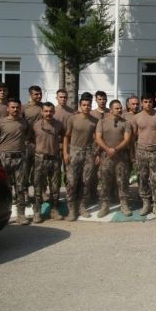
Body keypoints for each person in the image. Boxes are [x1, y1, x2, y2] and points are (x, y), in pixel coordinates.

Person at [0, 98, 30, 225]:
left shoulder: (24, 123)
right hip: (4, 157)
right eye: (13, 107)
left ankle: (21, 215)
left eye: (17, 107)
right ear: (8, 108)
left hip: (20, 158)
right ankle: (1, 215)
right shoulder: (0, 123)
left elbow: (27, 137)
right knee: (4, 187)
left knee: (20, 187)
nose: (15, 109)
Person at [62, 93, 99, 221]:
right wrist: (66, 153)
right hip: (74, 151)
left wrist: (96, 153)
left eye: (88, 105)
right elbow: (66, 136)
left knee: (86, 181)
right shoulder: (72, 119)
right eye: (84, 105)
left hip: (88, 152)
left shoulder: (95, 121)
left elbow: (97, 139)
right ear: (80, 105)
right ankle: (72, 209)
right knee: (72, 181)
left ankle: (82, 205)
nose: (86, 107)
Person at [94, 99, 133, 218]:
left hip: (121, 157)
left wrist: (115, 149)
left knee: (123, 181)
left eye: (120, 108)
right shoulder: (102, 122)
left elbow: (127, 140)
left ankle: (124, 204)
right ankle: (105, 205)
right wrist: (107, 149)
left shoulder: (126, 123)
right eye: (117, 108)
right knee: (105, 181)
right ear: (111, 110)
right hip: (106, 157)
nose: (120, 110)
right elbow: (98, 138)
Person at [132, 93, 156, 219]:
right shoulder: (136, 117)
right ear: (142, 103)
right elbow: (134, 135)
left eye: (150, 101)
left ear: (153, 102)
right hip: (141, 150)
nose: (148, 104)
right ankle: (146, 203)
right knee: (142, 178)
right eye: (145, 101)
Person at [32, 102, 65, 222]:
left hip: (55, 159)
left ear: (54, 112)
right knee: (38, 187)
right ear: (42, 112)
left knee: (55, 187)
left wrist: (60, 148)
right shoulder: (35, 125)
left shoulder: (59, 125)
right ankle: (37, 212)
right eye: (46, 111)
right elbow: (30, 140)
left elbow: (65, 137)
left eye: (51, 111)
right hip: (40, 159)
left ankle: (54, 210)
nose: (48, 113)